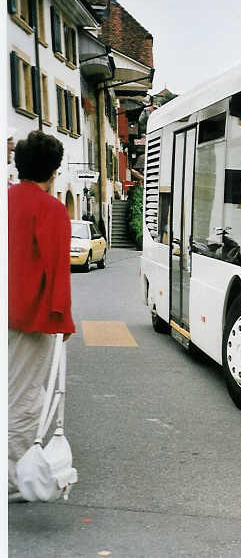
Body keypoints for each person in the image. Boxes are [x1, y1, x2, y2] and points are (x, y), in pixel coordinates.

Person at [8, 131, 75, 499]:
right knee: (25, 397)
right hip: (27, 319)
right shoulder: (50, 208)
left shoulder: (8, 201)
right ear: (53, 171)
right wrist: (62, 319)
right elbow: (56, 268)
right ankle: (12, 477)